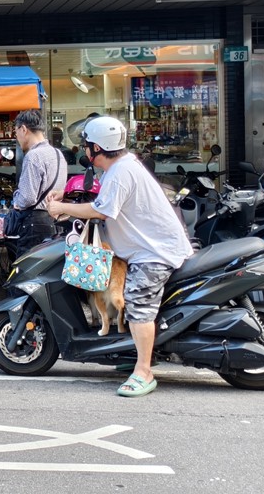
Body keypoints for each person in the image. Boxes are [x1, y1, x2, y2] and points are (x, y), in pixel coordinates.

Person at [45, 116, 193, 398]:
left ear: (96, 149)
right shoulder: (120, 167)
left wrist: (62, 207)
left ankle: (143, 371)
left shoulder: (121, 172)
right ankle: (134, 351)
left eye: (86, 145)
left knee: (137, 305)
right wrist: (67, 198)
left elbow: (102, 210)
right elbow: (100, 197)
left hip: (154, 252)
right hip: (146, 247)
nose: (84, 150)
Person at [10, 110, 67, 256]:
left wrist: (16, 199)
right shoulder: (58, 154)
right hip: (54, 221)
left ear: (23, 129)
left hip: (34, 225)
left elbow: (28, 198)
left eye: (16, 132)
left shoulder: (33, 156)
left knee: (27, 272)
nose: (17, 138)